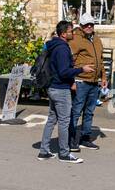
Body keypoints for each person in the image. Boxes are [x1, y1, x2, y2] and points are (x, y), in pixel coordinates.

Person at [39, 20, 92, 163]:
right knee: (64, 121)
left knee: (52, 119)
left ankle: (44, 151)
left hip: (52, 87)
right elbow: (64, 72)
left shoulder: (54, 45)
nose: (73, 33)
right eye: (70, 31)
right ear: (63, 34)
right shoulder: (62, 48)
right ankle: (64, 153)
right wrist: (82, 69)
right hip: (60, 89)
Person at [69, 14, 106, 152]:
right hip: (80, 81)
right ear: (81, 26)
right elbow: (70, 61)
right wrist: (71, 80)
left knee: (89, 112)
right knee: (76, 111)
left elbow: (100, 60)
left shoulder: (96, 39)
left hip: (93, 82)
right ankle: (71, 139)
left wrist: (103, 77)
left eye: (91, 24)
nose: (89, 26)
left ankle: (85, 138)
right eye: (86, 25)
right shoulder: (76, 39)